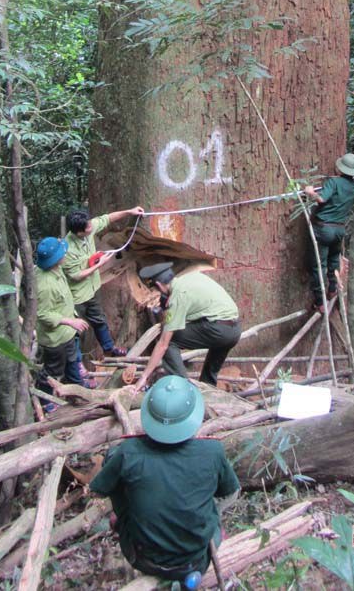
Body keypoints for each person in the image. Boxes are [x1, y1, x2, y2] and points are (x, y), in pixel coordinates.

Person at [90, 375, 240, 584]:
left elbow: (98, 490)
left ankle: (130, 522)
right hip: (196, 560)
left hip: (142, 557)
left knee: (114, 465)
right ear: (193, 417)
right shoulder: (212, 451)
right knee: (211, 510)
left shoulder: (127, 452)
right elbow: (231, 492)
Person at [130, 264, 241, 392]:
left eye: (157, 289)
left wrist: (144, 376)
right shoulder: (191, 277)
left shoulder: (178, 296)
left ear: (160, 285)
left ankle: (184, 388)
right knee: (211, 368)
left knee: (170, 340)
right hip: (234, 330)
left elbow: (163, 345)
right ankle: (209, 391)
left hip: (219, 331)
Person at [63, 205, 144, 362]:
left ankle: (109, 348)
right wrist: (99, 265)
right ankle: (76, 364)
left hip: (91, 289)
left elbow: (107, 218)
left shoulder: (88, 226)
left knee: (99, 319)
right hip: (76, 297)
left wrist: (129, 211)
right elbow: (76, 276)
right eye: (88, 226)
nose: (92, 226)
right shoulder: (68, 250)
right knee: (73, 331)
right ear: (79, 232)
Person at [34, 237, 91, 412]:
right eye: (62, 253)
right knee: (53, 370)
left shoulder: (56, 269)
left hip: (67, 333)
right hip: (55, 338)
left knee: (73, 362)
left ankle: (78, 390)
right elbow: (43, 314)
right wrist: (70, 321)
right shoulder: (45, 285)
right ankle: (44, 400)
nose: (65, 254)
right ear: (55, 259)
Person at [304, 152, 354, 308]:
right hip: (339, 230)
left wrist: (310, 192)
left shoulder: (333, 182)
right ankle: (333, 290)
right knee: (334, 260)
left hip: (323, 229)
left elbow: (321, 199)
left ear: (341, 169)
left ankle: (320, 302)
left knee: (318, 265)